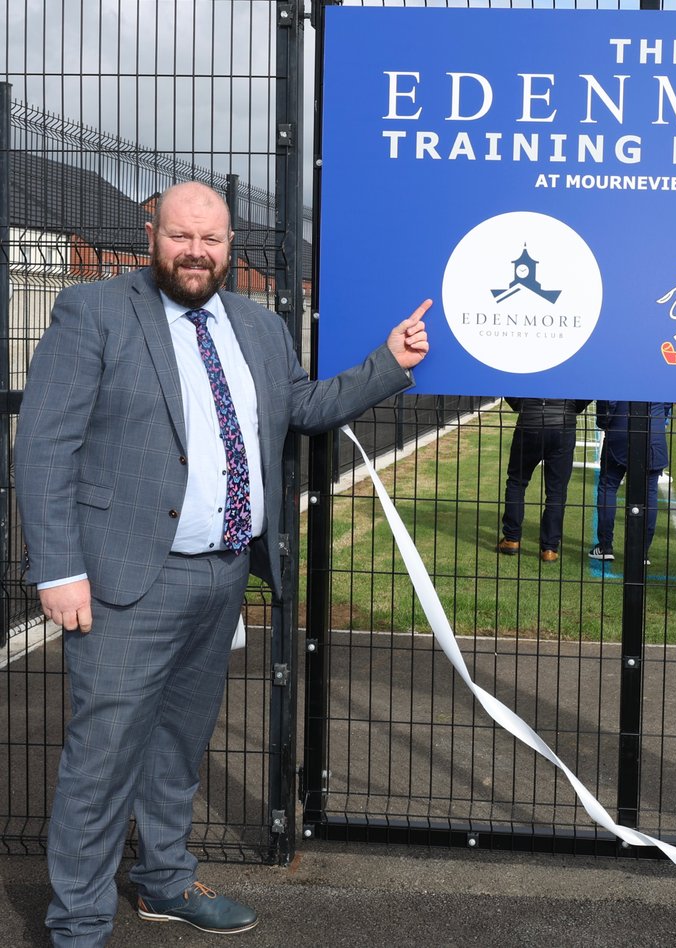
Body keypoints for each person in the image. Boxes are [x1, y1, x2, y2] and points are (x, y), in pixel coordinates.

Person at [14, 181, 430, 946]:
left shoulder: (258, 324)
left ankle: (164, 883)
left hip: (223, 575)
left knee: (176, 746)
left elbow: (301, 407)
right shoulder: (94, 312)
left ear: (230, 244)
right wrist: (58, 568)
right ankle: (77, 924)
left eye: (210, 240)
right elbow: (43, 447)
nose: (195, 253)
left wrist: (388, 363)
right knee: (102, 758)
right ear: (153, 236)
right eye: (181, 237)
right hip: (124, 583)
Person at [496, 398, 591, 562]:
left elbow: (510, 385)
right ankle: (549, 548)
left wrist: (522, 405)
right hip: (563, 423)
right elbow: (586, 392)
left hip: (530, 421)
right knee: (556, 491)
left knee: (517, 482)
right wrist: (571, 407)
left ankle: (511, 539)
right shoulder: (570, 371)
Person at [589, 401, 671, 564]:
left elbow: (608, 401)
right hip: (653, 434)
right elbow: (668, 403)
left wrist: (604, 422)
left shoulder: (618, 374)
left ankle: (605, 546)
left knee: (608, 486)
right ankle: (641, 552)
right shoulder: (661, 375)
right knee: (649, 492)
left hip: (621, 432)